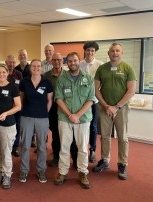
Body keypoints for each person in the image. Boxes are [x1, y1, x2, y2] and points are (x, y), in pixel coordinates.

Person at [93, 43, 136, 180]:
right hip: (104, 108)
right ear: (108, 53)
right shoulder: (102, 68)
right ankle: (105, 160)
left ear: (121, 53)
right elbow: (96, 90)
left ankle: (122, 164)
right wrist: (106, 106)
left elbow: (131, 91)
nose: (115, 53)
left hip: (121, 108)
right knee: (105, 136)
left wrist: (116, 106)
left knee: (122, 137)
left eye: (117, 51)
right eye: (112, 51)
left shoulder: (128, 68)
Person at [53, 52, 96, 189]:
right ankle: (63, 172)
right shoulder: (61, 79)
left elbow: (91, 99)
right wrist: (70, 115)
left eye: (75, 60)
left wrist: (77, 115)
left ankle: (83, 172)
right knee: (64, 147)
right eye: (70, 61)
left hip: (83, 120)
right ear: (67, 62)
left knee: (82, 148)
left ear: (79, 61)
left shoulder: (88, 78)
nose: (73, 63)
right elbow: (58, 98)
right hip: (65, 119)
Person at [18, 59, 53, 183]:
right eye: (34, 66)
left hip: (42, 118)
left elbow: (49, 101)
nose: (36, 68)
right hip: (26, 116)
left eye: (38, 66)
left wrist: (44, 113)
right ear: (30, 67)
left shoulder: (47, 82)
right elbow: (21, 99)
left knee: (42, 146)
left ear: (42, 68)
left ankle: (41, 169)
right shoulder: (24, 82)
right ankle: (24, 169)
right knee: (25, 146)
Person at [0, 63, 21, 189]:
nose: (1, 74)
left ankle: (7, 174)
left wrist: (6, 113)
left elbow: (18, 106)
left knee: (6, 151)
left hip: (8, 124)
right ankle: (0, 172)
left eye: (3, 72)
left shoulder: (13, 88)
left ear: (7, 73)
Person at [44, 53, 79, 168]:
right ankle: (56, 157)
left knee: (72, 135)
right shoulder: (46, 76)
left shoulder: (68, 74)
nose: (57, 62)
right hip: (53, 109)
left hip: (68, 108)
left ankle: (74, 158)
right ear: (51, 61)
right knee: (56, 134)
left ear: (63, 61)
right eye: (54, 60)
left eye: (59, 59)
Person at [79, 41, 104, 163]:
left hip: (94, 101)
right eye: (88, 50)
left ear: (95, 52)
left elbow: (102, 83)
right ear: (85, 50)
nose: (90, 52)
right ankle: (79, 149)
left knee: (93, 126)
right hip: (80, 101)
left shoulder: (100, 65)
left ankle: (92, 149)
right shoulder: (79, 64)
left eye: (92, 51)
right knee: (81, 125)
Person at [14, 49, 36, 147]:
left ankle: (32, 138)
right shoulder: (16, 69)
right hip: (18, 97)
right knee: (20, 121)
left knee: (30, 119)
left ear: (27, 56)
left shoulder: (31, 67)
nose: (22, 56)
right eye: (21, 55)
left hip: (29, 98)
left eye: (24, 55)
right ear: (18, 57)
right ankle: (18, 140)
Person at [5, 55, 23, 157]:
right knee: (6, 127)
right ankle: (7, 145)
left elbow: (21, 89)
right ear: (6, 62)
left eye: (13, 62)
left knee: (17, 126)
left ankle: (15, 146)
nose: (11, 64)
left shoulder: (19, 74)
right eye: (9, 62)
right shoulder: (3, 73)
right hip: (5, 106)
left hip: (16, 106)